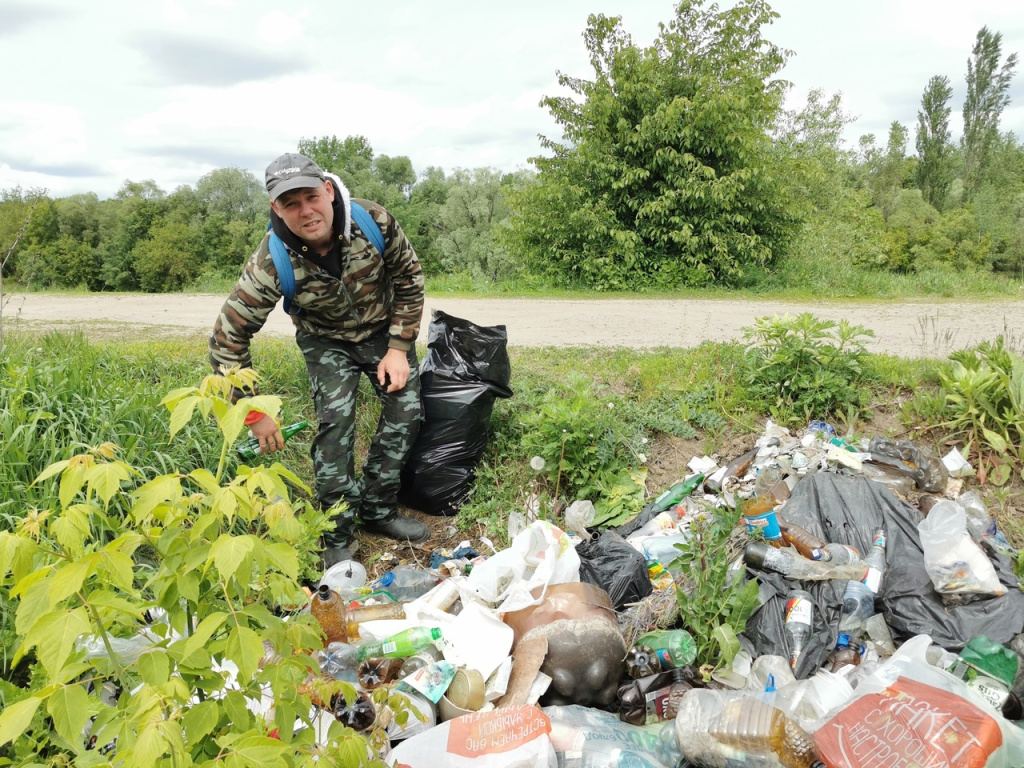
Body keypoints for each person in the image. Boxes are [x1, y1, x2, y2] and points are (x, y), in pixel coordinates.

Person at [209, 152, 429, 568]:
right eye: (290, 203)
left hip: (386, 332)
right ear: (276, 207)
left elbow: (409, 278)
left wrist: (399, 348)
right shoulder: (272, 262)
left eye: (311, 197)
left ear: (328, 190)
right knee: (335, 425)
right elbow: (227, 338)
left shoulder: (373, 221)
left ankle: (378, 509)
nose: (305, 211)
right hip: (326, 342)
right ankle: (337, 530)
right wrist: (253, 413)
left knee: (407, 412)